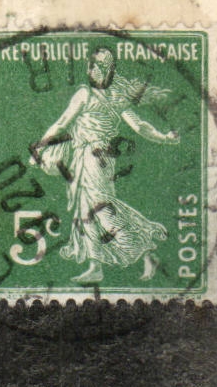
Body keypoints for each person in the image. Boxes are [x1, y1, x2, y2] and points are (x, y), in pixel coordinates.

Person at [29, 46, 180, 284]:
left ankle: (145, 251)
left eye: (97, 65)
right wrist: (165, 137)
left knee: (102, 209)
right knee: (85, 209)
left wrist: (40, 145)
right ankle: (96, 266)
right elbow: (139, 126)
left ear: (108, 69)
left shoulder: (91, 96)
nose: (91, 69)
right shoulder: (104, 97)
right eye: (90, 64)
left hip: (94, 159)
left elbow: (61, 124)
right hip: (90, 159)